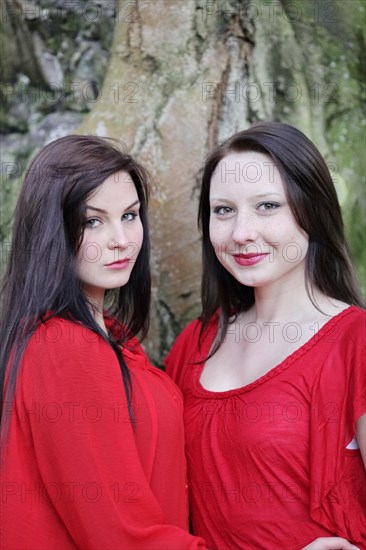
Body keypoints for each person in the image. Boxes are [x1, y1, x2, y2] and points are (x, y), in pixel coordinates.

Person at [165, 122, 366, 550]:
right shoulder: (195, 344)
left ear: (312, 210)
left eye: (268, 206)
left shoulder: (356, 342)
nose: (241, 233)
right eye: (223, 210)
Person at [0, 135, 206, 549]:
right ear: (51, 231)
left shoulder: (108, 338)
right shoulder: (64, 347)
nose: (121, 239)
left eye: (129, 216)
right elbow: (121, 536)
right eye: (93, 221)